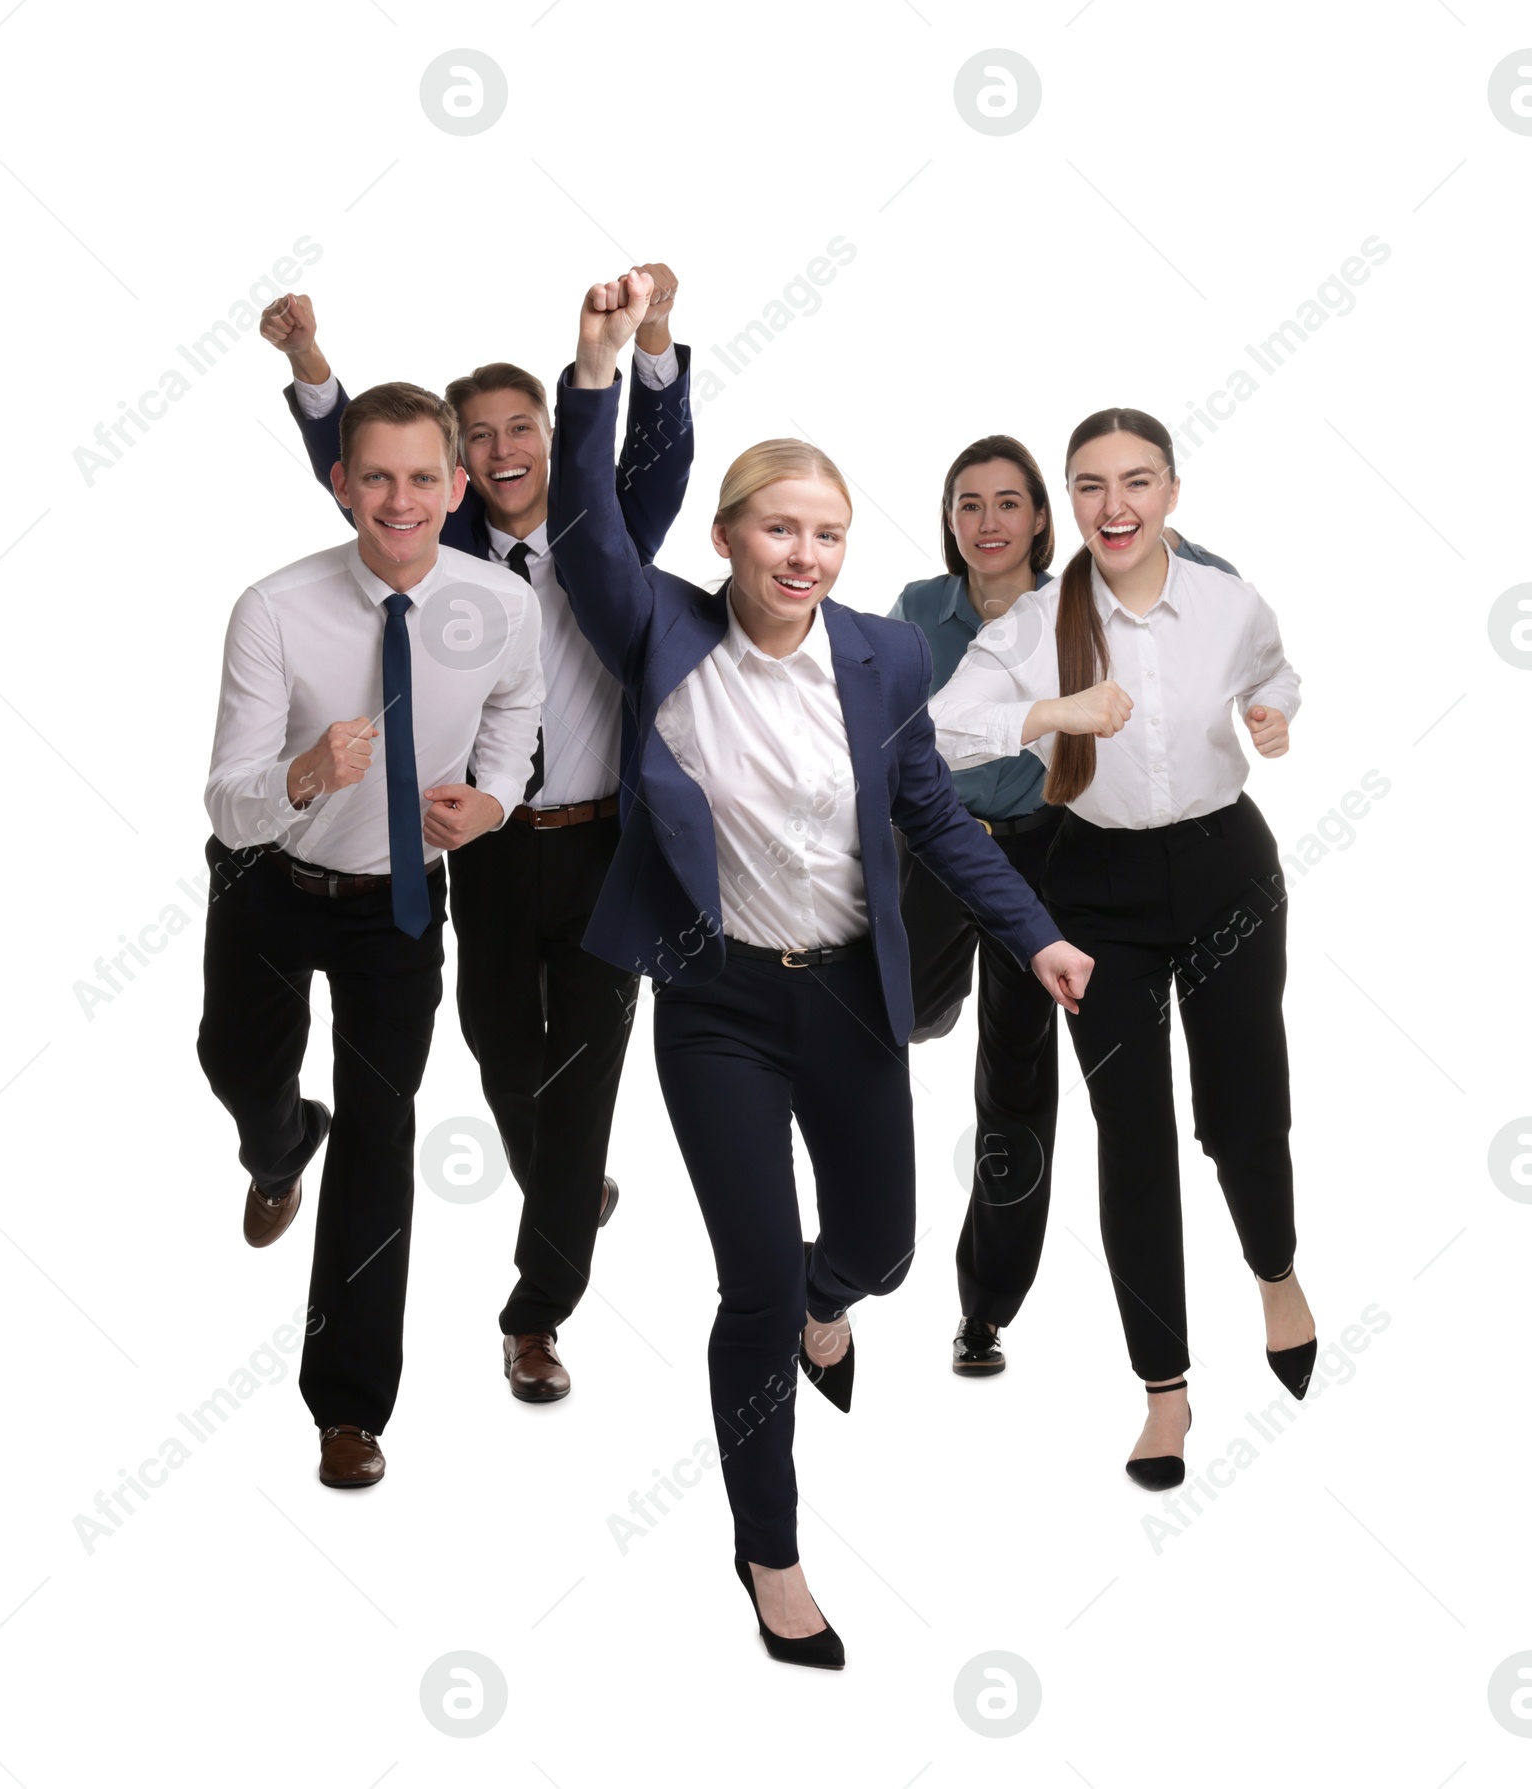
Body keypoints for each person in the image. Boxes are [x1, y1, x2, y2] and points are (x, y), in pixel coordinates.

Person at [548, 269, 1094, 1668]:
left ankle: (827, 1302)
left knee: (880, 1252)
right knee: (747, 1285)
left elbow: (929, 815)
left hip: (852, 992)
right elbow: (588, 526)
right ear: (729, 538)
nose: (805, 553)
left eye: (829, 533)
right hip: (718, 999)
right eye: (780, 529)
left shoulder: (884, 656)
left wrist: (1034, 933)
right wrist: (602, 368)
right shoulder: (662, 631)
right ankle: (769, 1549)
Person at [258, 275, 693, 1401]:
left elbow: (656, 446)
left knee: (586, 1078)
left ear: (554, 438)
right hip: (486, 846)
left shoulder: (613, 529)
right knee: (503, 1050)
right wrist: (311, 360)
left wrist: (646, 341)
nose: (505, 450)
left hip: (605, 850)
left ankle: (534, 1314)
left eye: (523, 428)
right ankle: (563, 1180)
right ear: (460, 465)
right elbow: (357, 471)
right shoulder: (443, 539)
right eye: (482, 436)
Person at [930, 407, 1316, 1491]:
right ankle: (1165, 1391)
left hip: (1227, 873)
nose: (1115, 506)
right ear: (1071, 503)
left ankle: (1276, 1273)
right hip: (1094, 890)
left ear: (1170, 495)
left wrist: (1273, 714)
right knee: (1130, 1136)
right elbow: (940, 729)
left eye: (1136, 482)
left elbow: (1275, 671)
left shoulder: (1225, 601)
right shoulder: (1038, 618)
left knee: (1243, 1106)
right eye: (1091, 485)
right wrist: (1053, 709)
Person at [197, 382, 542, 1488]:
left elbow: (515, 719)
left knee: (383, 1133)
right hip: (269, 874)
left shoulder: (501, 606)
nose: (401, 499)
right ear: (342, 482)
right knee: (236, 1060)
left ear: (455, 486)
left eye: (423, 477)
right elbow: (227, 800)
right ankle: (277, 1140)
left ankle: (347, 1409)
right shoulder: (274, 607)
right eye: (377, 476)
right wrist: (307, 771)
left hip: (397, 898)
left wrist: (492, 800)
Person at [890, 440, 1237, 1378]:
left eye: (1010, 502)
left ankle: (983, 1307)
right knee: (897, 1019)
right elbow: (886, 724)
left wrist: (1146, 516)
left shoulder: (1079, 598)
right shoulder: (922, 609)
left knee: (1015, 1088)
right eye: (970, 504)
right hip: (933, 850)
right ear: (950, 518)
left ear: (1044, 518)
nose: (989, 522)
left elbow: (1201, 582)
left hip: (1042, 861)